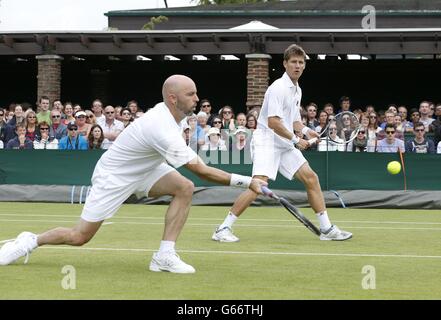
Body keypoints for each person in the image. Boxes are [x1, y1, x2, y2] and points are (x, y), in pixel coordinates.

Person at [0, 75, 266, 273]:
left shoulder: (178, 117)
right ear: (173, 98)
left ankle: (164, 256)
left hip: (146, 168)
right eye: (191, 94)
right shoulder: (160, 126)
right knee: (79, 236)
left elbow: (193, 170)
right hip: (114, 176)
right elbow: (201, 170)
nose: (197, 99)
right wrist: (247, 181)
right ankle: (29, 241)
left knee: (184, 187)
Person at [212, 44, 352, 243]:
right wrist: (297, 140)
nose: (297, 65)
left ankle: (326, 229)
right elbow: (273, 122)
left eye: (301, 62)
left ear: (304, 66)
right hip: (267, 140)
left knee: (311, 178)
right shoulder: (278, 87)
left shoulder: (297, 90)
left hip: (283, 142)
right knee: (258, 184)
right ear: (285, 64)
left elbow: (293, 120)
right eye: (293, 62)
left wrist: (305, 130)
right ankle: (222, 228)